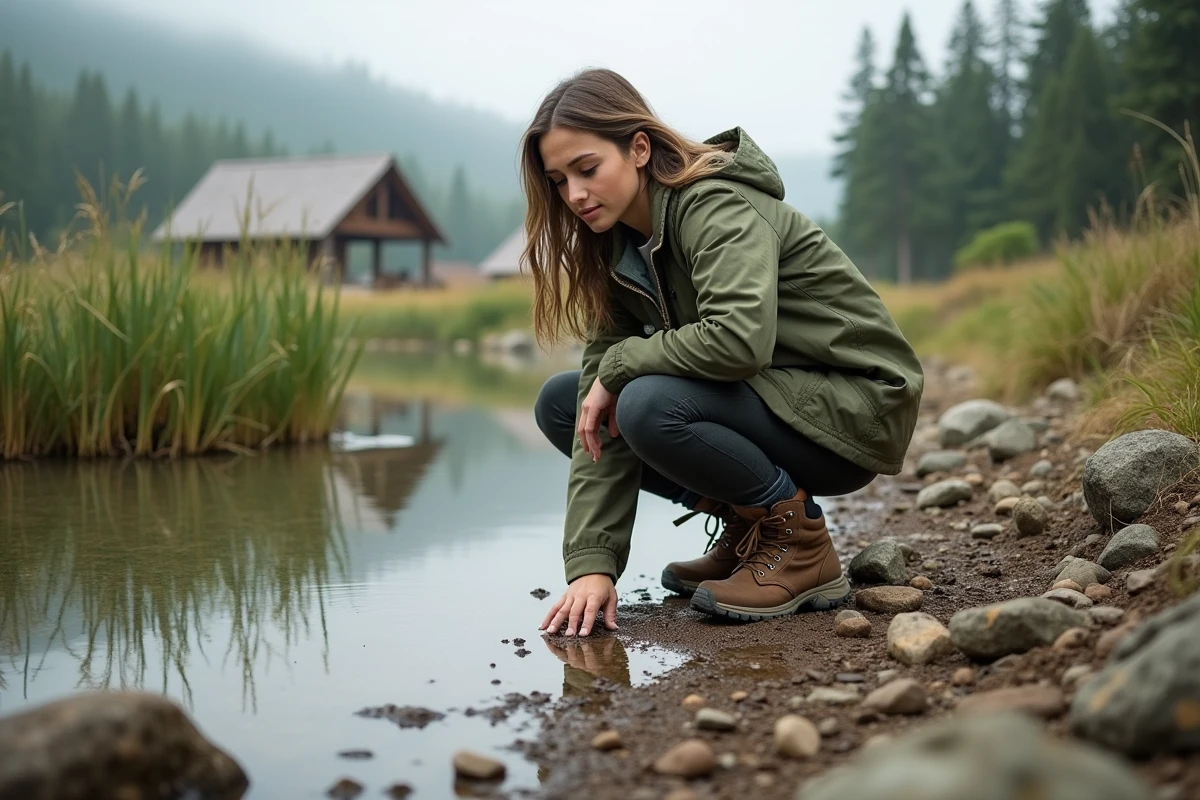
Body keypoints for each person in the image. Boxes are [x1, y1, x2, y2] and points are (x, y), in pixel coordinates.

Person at [524, 68, 924, 638]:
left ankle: (799, 544)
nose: (575, 195)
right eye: (559, 181)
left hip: (855, 409)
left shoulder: (715, 205)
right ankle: (749, 523)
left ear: (639, 149)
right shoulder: (618, 249)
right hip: (778, 400)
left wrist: (621, 364)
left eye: (587, 169)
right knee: (566, 404)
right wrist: (592, 565)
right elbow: (598, 411)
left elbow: (738, 341)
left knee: (644, 402)